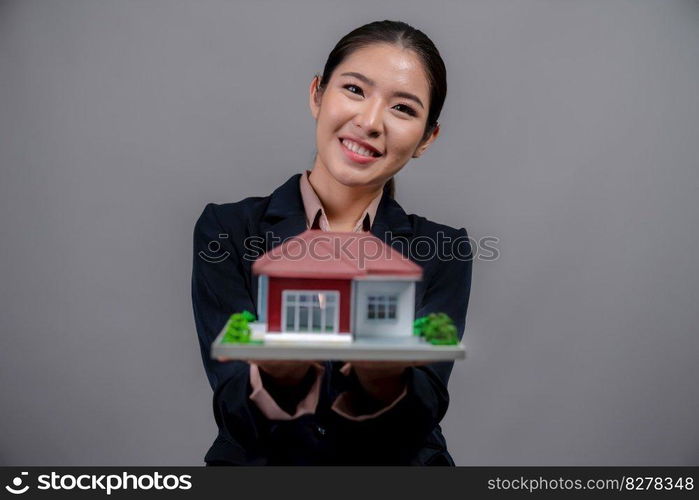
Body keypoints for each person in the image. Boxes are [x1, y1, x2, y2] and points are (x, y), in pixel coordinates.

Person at [192, 20, 472, 465]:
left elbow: (420, 413)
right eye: (355, 90)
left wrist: (383, 379)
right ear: (317, 95)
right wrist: (281, 379)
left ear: (426, 138)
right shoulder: (226, 231)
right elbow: (235, 410)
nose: (369, 121)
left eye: (402, 108)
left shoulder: (444, 249)